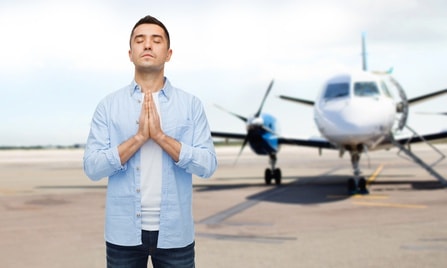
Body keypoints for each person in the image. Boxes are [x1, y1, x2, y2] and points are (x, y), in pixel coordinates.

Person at [83, 15, 217, 268]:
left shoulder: (190, 105)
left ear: (168, 54)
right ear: (130, 53)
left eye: (156, 40)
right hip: (123, 233)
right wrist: (139, 138)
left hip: (175, 234)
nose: (147, 45)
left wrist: (161, 138)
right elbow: (92, 167)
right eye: (140, 40)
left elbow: (208, 165)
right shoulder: (108, 106)